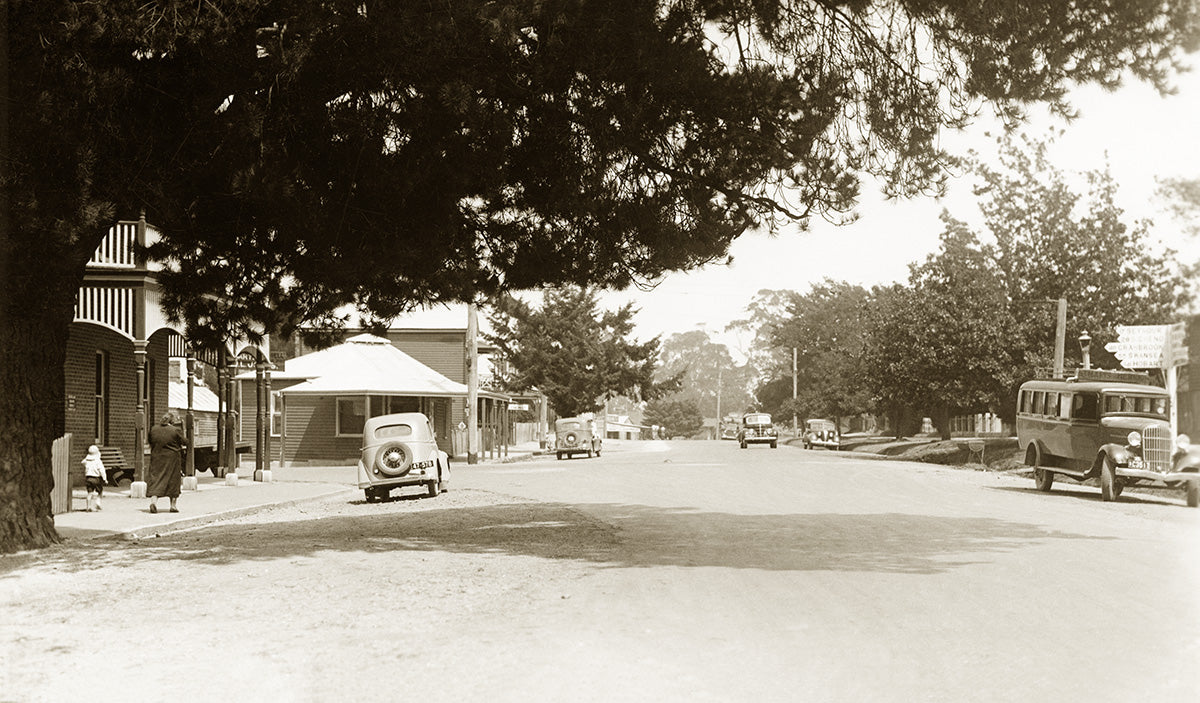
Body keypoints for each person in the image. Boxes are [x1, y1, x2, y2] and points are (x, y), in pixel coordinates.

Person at [147, 412, 188, 514]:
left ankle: (154, 502)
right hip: (172, 460)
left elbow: (150, 441)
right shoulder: (175, 430)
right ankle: (173, 506)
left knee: (156, 480)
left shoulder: (154, 429)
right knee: (173, 482)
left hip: (156, 458)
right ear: (172, 421)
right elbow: (185, 442)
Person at [81, 444, 106, 512]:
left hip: (88, 478)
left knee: (90, 493)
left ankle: (88, 507)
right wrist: (104, 478)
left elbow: (82, 462)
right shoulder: (98, 461)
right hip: (97, 478)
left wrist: (87, 459)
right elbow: (102, 470)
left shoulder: (86, 461)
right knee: (99, 491)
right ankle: (98, 502)